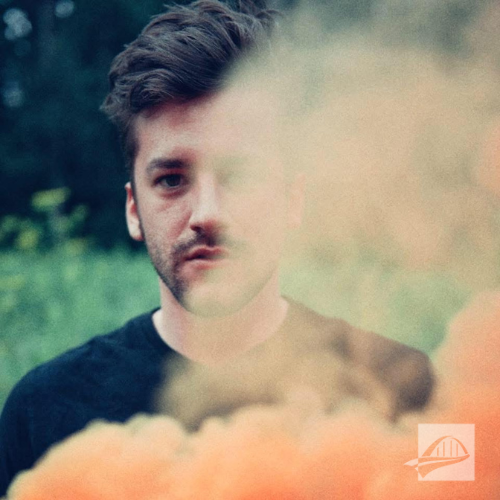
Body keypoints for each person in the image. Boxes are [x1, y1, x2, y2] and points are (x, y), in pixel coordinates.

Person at [0, 0, 434, 496]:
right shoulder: (41, 412)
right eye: (171, 179)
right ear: (133, 210)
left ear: (292, 201)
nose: (207, 212)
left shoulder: (413, 390)